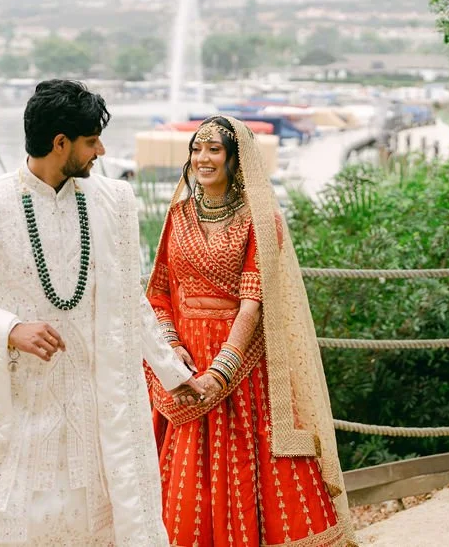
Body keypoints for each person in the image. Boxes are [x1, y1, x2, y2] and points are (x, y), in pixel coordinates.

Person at [0, 79, 205, 546]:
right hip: (19, 402)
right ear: (61, 143)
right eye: (92, 141)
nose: (101, 151)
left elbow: (128, 298)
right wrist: (9, 328)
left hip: (93, 408)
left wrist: (173, 373)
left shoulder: (112, 201)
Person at [145, 116, 356, 546]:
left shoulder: (260, 220)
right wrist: (170, 347)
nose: (203, 159)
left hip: (239, 370)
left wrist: (220, 371)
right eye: (196, 149)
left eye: (214, 149)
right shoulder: (177, 216)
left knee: (244, 466)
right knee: (182, 480)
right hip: (183, 366)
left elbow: (252, 303)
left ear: (235, 158)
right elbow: (160, 290)